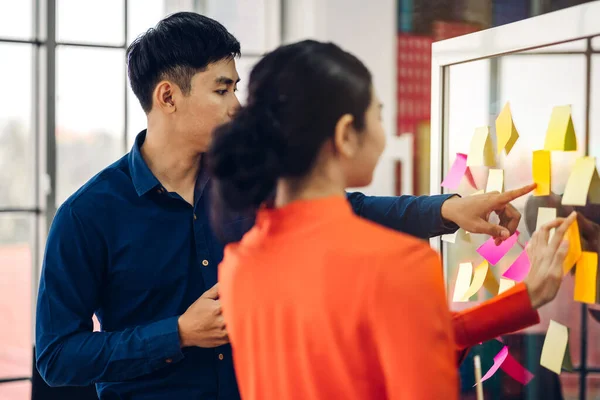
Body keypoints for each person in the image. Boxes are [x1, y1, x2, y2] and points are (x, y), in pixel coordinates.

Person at [35, 12, 543, 400]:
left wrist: (447, 209)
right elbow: (56, 357)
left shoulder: (247, 189)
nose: (237, 104)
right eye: (223, 88)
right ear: (168, 97)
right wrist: (177, 334)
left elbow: (345, 211)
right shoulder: (87, 217)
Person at [210, 39, 577, 400]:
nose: (385, 135)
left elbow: (376, 346)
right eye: (379, 116)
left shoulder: (240, 264)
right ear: (345, 135)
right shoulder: (397, 265)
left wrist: (525, 297)